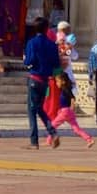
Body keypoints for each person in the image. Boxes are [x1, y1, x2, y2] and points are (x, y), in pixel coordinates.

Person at [23, 18, 62, 149]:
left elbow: (29, 60)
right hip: (45, 80)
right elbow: (56, 63)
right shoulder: (52, 45)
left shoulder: (32, 43)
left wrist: (27, 61)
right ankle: (52, 132)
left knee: (32, 110)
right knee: (39, 108)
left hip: (34, 77)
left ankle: (34, 141)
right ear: (47, 29)